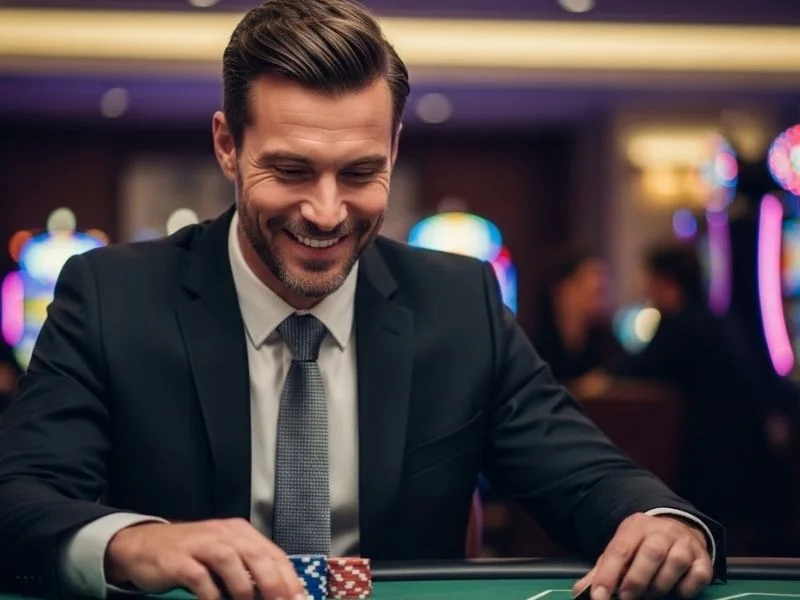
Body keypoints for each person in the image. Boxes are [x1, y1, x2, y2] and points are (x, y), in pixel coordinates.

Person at [0, 3, 722, 600]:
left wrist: (661, 522)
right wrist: (135, 542)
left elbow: (588, 477)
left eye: (358, 173)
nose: (326, 212)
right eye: (291, 170)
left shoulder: (459, 304)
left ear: (394, 150)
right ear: (227, 146)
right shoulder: (112, 296)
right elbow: (18, 495)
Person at [615, 243, 792, 547]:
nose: (646, 290)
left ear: (667, 283)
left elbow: (631, 371)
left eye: (650, 281)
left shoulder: (680, 325)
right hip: (756, 466)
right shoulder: (720, 320)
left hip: (718, 469)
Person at [531, 247, 623, 388]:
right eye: (597, 290)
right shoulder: (533, 347)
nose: (603, 287)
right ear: (563, 289)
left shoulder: (606, 342)